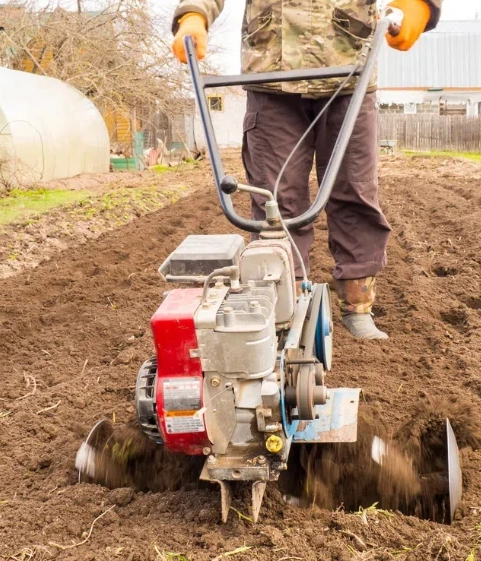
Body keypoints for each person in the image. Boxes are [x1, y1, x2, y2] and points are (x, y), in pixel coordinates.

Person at [171, 0, 442, 340]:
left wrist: (417, 5)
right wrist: (194, 14)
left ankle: (358, 306)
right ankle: (287, 306)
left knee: (354, 191)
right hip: (271, 73)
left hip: (350, 68)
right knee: (275, 199)